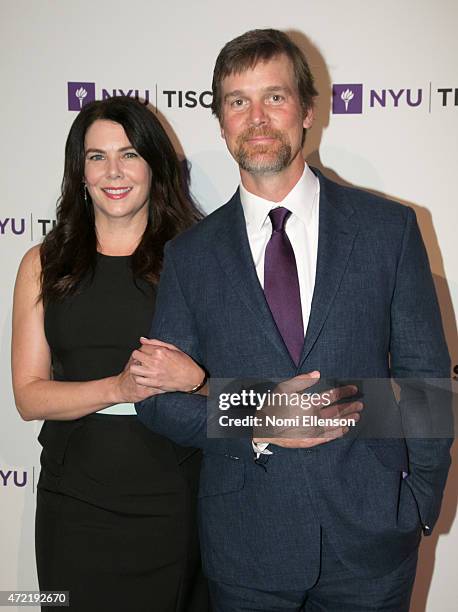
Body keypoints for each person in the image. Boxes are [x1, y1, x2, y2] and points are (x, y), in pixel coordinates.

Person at [135, 29, 452, 612]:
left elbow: (427, 384)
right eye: (238, 101)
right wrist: (260, 417)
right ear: (221, 121)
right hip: (246, 550)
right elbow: (157, 401)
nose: (257, 118)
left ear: (308, 110)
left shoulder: (389, 230)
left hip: (373, 544)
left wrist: (419, 505)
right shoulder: (191, 256)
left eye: (274, 97)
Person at [12, 96, 210, 612]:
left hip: (174, 497)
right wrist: (116, 389)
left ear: (154, 165)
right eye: (97, 157)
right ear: (79, 171)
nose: (113, 171)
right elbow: (29, 397)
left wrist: (196, 380)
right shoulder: (42, 263)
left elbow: (239, 391)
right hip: (74, 502)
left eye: (129, 154)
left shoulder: (196, 260)